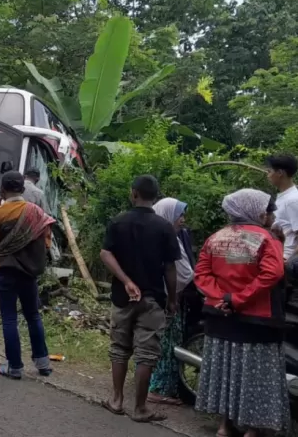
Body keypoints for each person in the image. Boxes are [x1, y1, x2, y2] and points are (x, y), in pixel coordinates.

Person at [194, 189, 289, 436]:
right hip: (257, 319)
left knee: (226, 371)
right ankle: (252, 430)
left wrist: (222, 299)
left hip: (220, 316)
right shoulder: (267, 239)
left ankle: (225, 426)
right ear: (258, 212)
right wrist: (239, 299)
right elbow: (273, 274)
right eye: (269, 211)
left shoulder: (215, 238)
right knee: (254, 375)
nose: (271, 216)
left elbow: (202, 274)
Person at [99, 175, 180, 423]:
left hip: (123, 298)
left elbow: (105, 253)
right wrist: (172, 299)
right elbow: (170, 268)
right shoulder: (165, 227)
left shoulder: (118, 221)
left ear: (134, 193)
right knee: (147, 353)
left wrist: (125, 280)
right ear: (156, 196)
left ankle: (116, 400)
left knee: (119, 348)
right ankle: (141, 408)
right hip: (152, 298)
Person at [0, 171, 55, 379]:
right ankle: (43, 363)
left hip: (5, 269)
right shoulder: (37, 212)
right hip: (29, 271)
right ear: (22, 189)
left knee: (10, 318)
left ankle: (15, 366)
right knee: (33, 315)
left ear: (2, 191)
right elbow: (47, 241)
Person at [148, 197, 196, 406]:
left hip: (162, 296)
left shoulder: (171, 236)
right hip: (168, 298)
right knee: (167, 343)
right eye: (179, 216)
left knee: (160, 341)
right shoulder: (168, 238)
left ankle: (153, 384)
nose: (182, 220)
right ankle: (157, 389)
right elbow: (184, 273)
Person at [266, 154, 298, 266]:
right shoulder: (285, 197)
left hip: (287, 261)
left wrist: (288, 262)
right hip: (280, 256)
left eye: (269, 171)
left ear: (280, 173)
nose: (268, 175)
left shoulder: (293, 200)